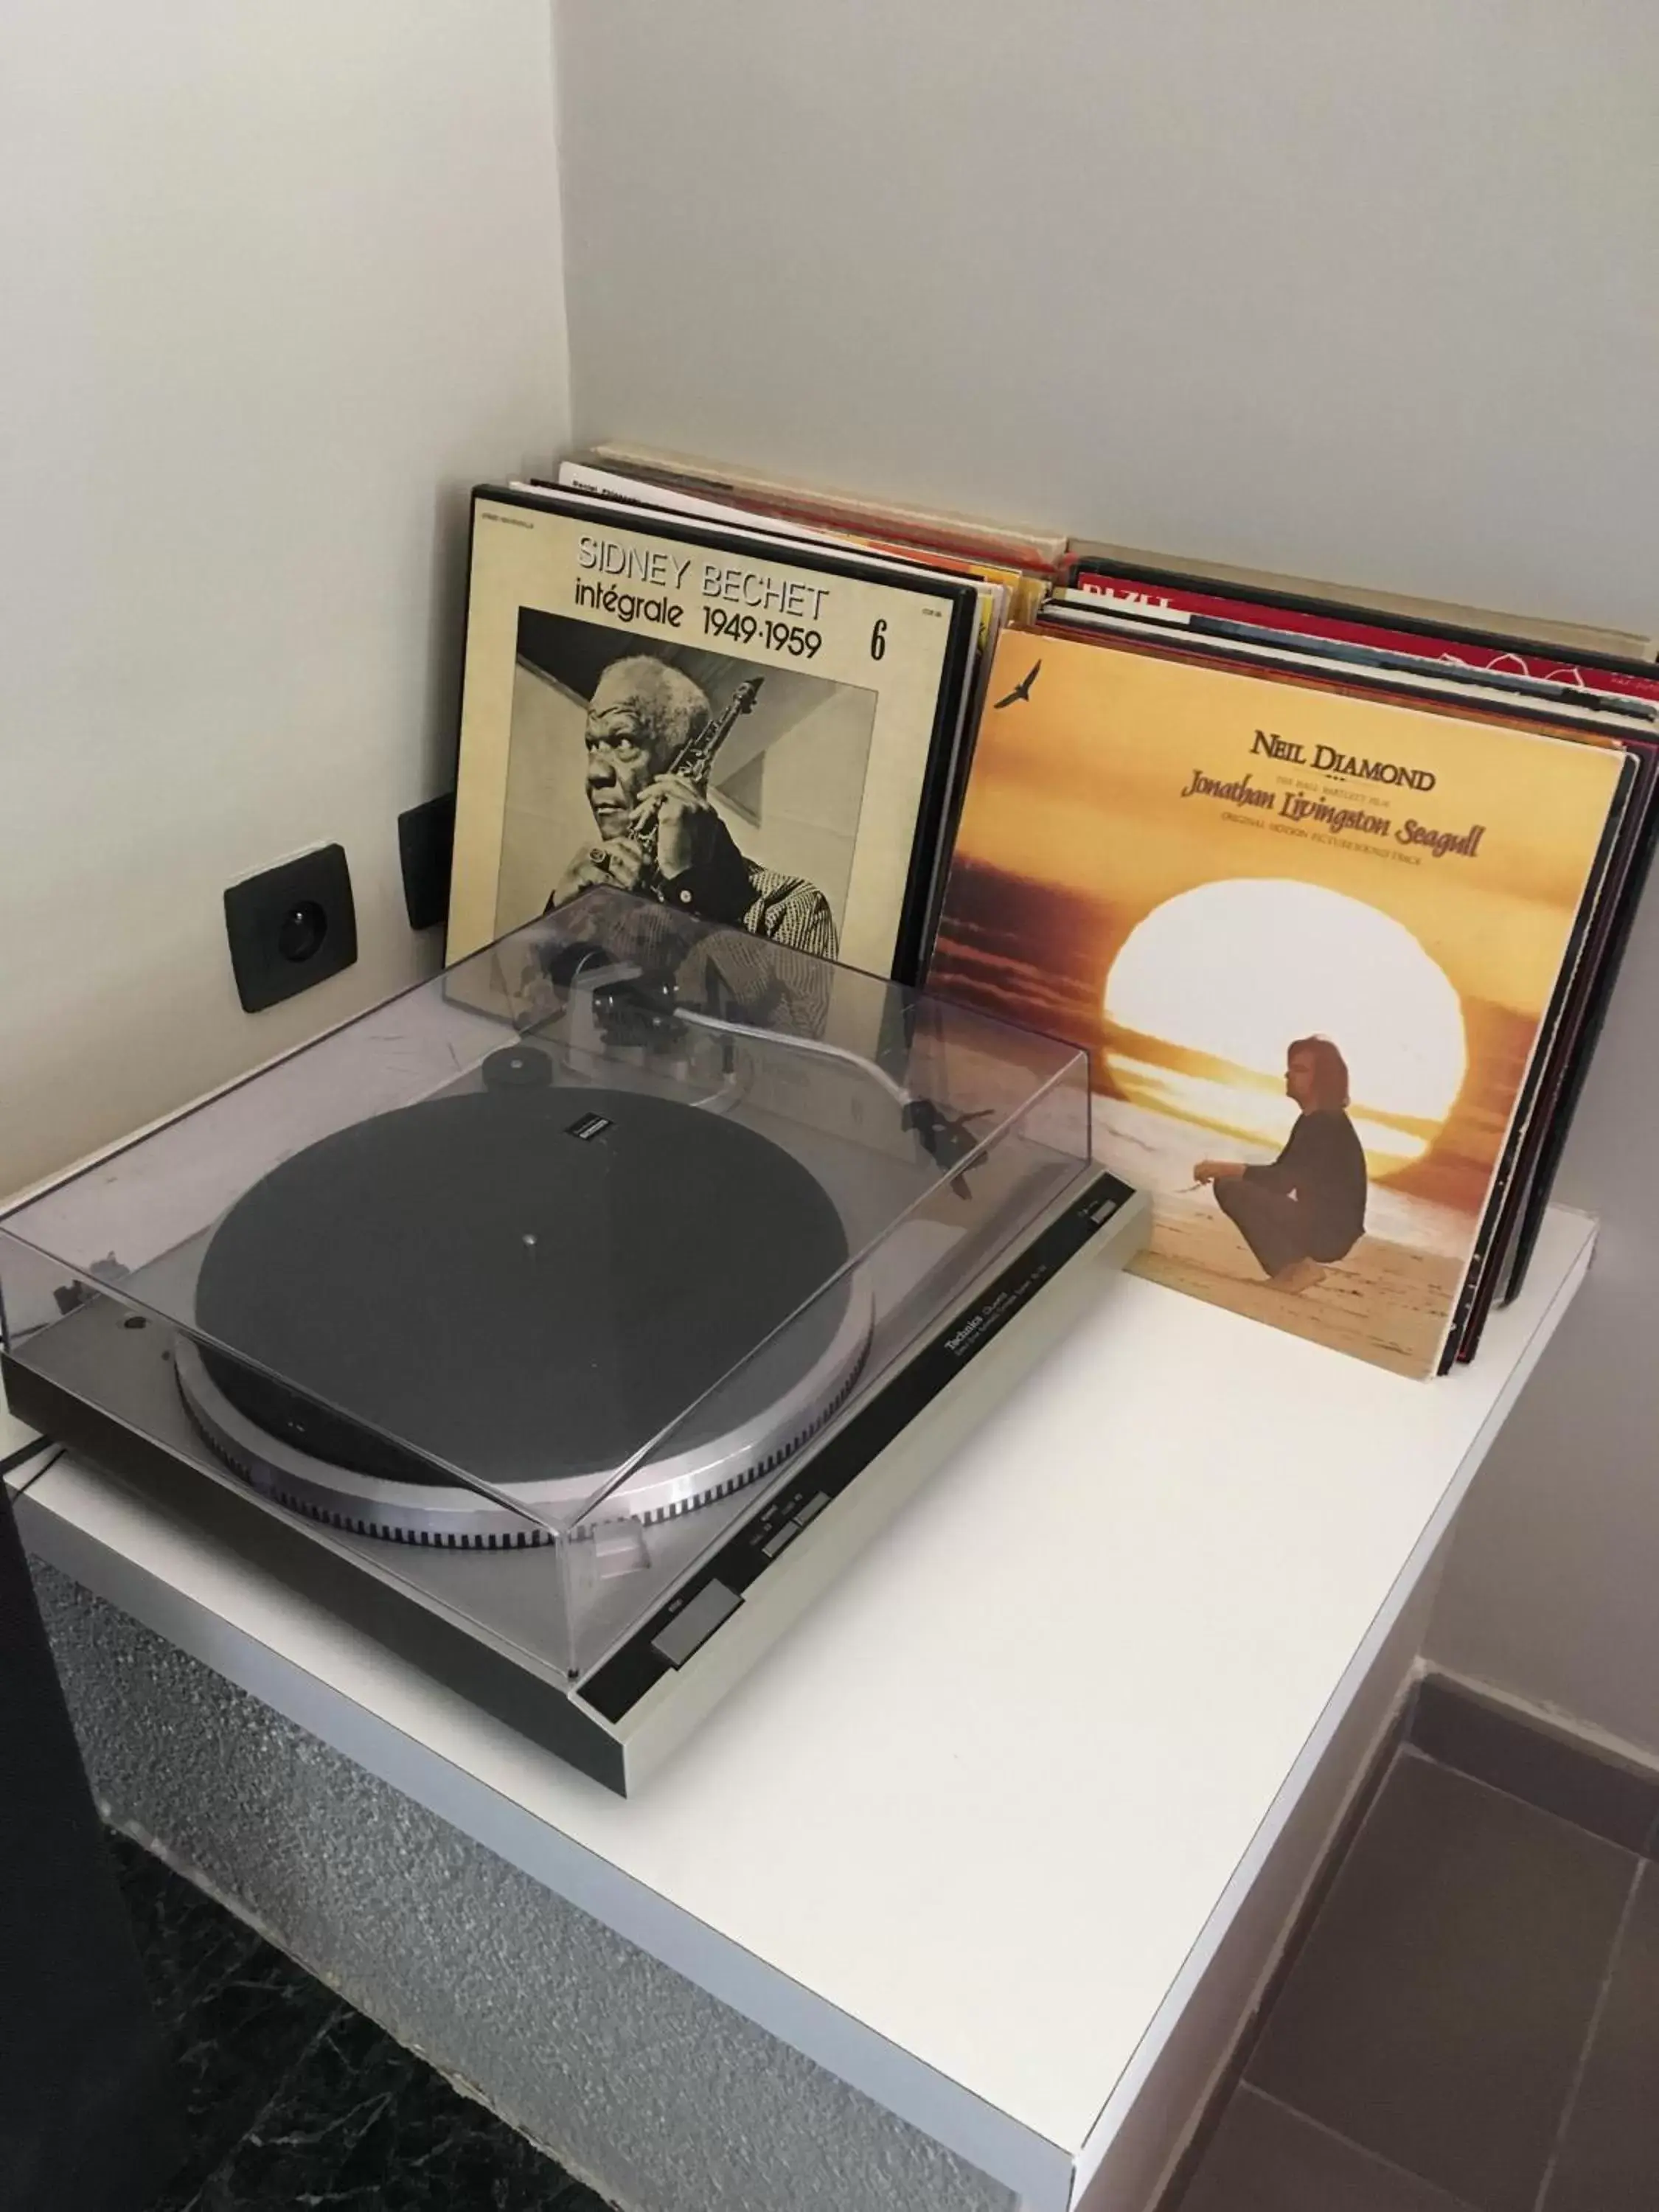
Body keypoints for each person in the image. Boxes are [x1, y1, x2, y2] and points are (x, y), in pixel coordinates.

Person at [546, 655, 839, 959]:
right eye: (592, 746)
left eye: (624, 741)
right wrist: (552, 923)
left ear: (687, 769)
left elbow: (790, 1011)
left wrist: (689, 894)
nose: (595, 772)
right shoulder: (586, 891)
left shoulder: (792, 908)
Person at [1194, 1037, 1367, 1294]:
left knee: (1231, 1187)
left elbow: (1282, 1181)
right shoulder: (1313, 1120)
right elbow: (1283, 1174)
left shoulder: (1326, 1124)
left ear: (1322, 1079)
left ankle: (1294, 1269)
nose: (1288, 1074)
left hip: (1329, 1232)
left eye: (1300, 1070)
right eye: (1291, 1068)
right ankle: (1291, 1270)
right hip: (1324, 1225)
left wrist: (1223, 1169)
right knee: (1235, 1185)